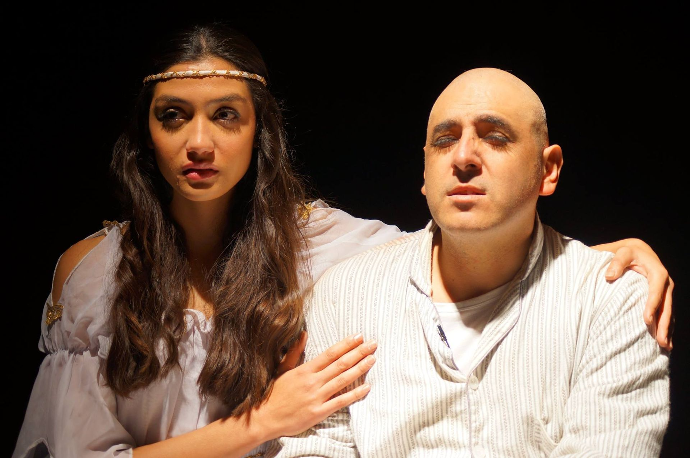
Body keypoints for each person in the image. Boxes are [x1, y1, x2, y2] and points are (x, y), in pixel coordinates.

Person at [12, 23, 672, 458]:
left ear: (259, 130)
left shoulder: (325, 248)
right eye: (173, 116)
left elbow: (464, 243)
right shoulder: (94, 272)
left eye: (226, 115)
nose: (200, 143)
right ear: (147, 132)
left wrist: (594, 263)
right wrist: (263, 422)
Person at [268, 68, 671, 457]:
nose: (463, 157)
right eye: (445, 141)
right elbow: (317, 448)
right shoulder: (345, 293)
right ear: (425, 170)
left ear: (548, 170)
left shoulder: (612, 300)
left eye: (495, 137)